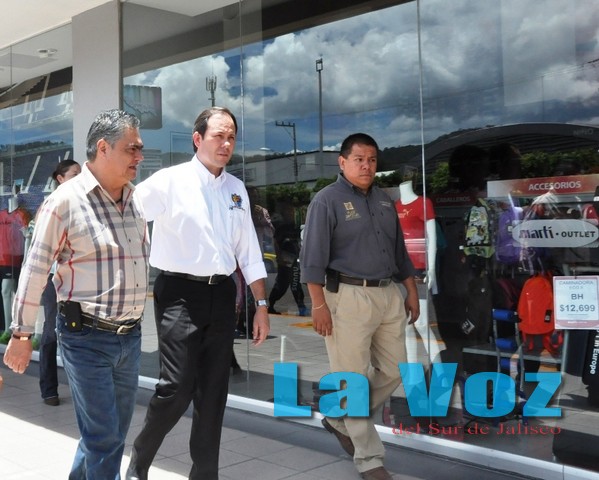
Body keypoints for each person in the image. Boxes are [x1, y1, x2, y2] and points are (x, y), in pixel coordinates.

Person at [3, 109, 149, 479]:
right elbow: (35, 270)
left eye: (140, 148)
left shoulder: (136, 200)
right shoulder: (65, 202)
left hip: (130, 337)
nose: (140, 156)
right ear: (103, 148)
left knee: (108, 435)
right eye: (132, 148)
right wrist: (22, 333)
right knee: (104, 439)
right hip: (86, 338)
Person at [126, 106, 270, 480]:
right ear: (197, 139)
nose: (226, 144)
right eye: (218, 136)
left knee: (213, 392)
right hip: (178, 294)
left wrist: (261, 304)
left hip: (222, 295)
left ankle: (205, 474)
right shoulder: (169, 181)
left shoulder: (236, 189)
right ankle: (140, 459)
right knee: (176, 388)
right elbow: (127, 212)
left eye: (231, 137)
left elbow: (248, 250)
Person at [300, 133, 419, 480]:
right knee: (352, 378)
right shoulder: (326, 201)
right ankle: (369, 460)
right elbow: (312, 259)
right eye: (359, 159)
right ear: (342, 162)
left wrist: (410, 291)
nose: (366, 166)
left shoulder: (384, 201)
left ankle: (339, 418)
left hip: (387, 294)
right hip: (347, 297)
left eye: (372, 160)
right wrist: (318, 305)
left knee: (395, 369)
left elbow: (399, 253)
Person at [34, 159, 82, 406]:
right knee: (52, 332)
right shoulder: (50, 205)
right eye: (74, 174)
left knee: (79, 334)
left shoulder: (83, 203)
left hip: (79, 282)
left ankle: (82, 390)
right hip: (54, 282)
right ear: (60, 178)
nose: (79, 178)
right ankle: (49, 389)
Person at [395, 179, 444, 364]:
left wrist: (431, 268)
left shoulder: (423, 203)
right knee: (406, 325)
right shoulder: (394, 206)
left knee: (422, 323)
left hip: (419, 269)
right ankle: (412, 372)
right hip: (400, 271)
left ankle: (439, 370)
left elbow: (432, 237)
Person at [268, 202, 307, 315]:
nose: (290, 213)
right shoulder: (281, 228)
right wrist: (279, 257)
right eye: (288, 211)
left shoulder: (297, 226)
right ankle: (271, 305)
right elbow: (275, 243)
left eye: (292, 211)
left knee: (295, 283)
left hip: (295, 259)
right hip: (285, 261)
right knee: (282, 285)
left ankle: (301, 307)